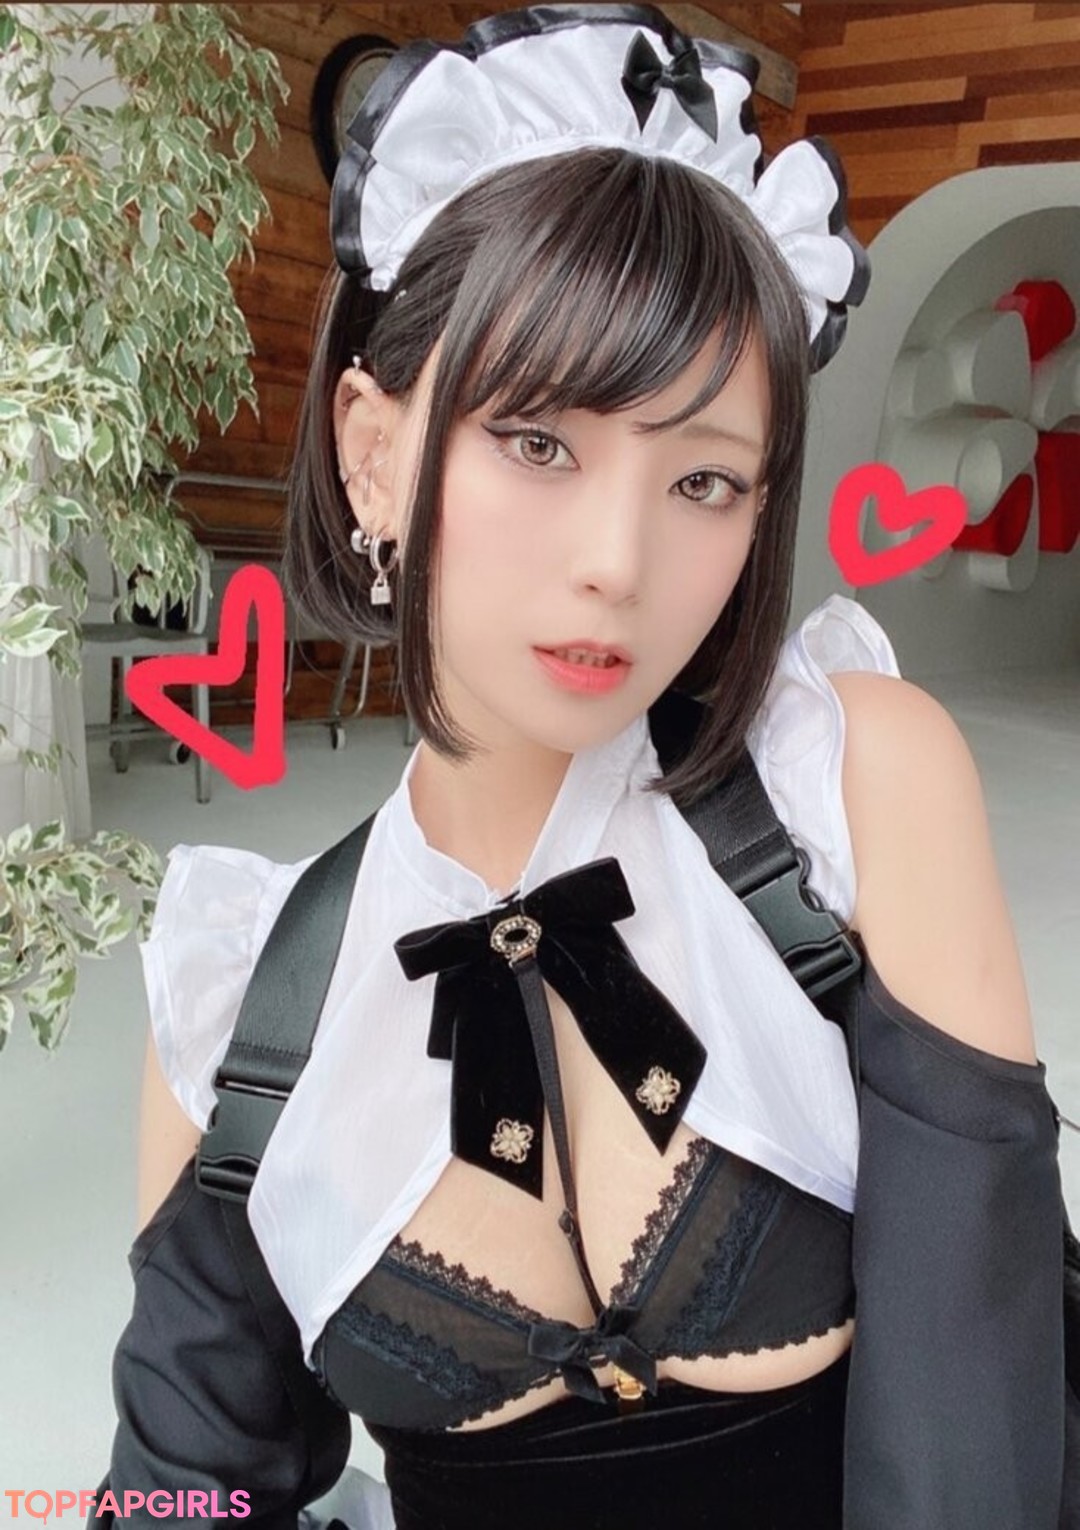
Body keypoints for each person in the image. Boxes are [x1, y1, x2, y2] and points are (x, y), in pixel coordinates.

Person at [103, 6, 1066, 1529]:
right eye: (538, 442)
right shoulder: (243, 1012)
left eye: (705, 479)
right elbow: (181, 1496)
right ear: (373, 450)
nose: (620, 562)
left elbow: (985, 1436)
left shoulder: (850, 796)